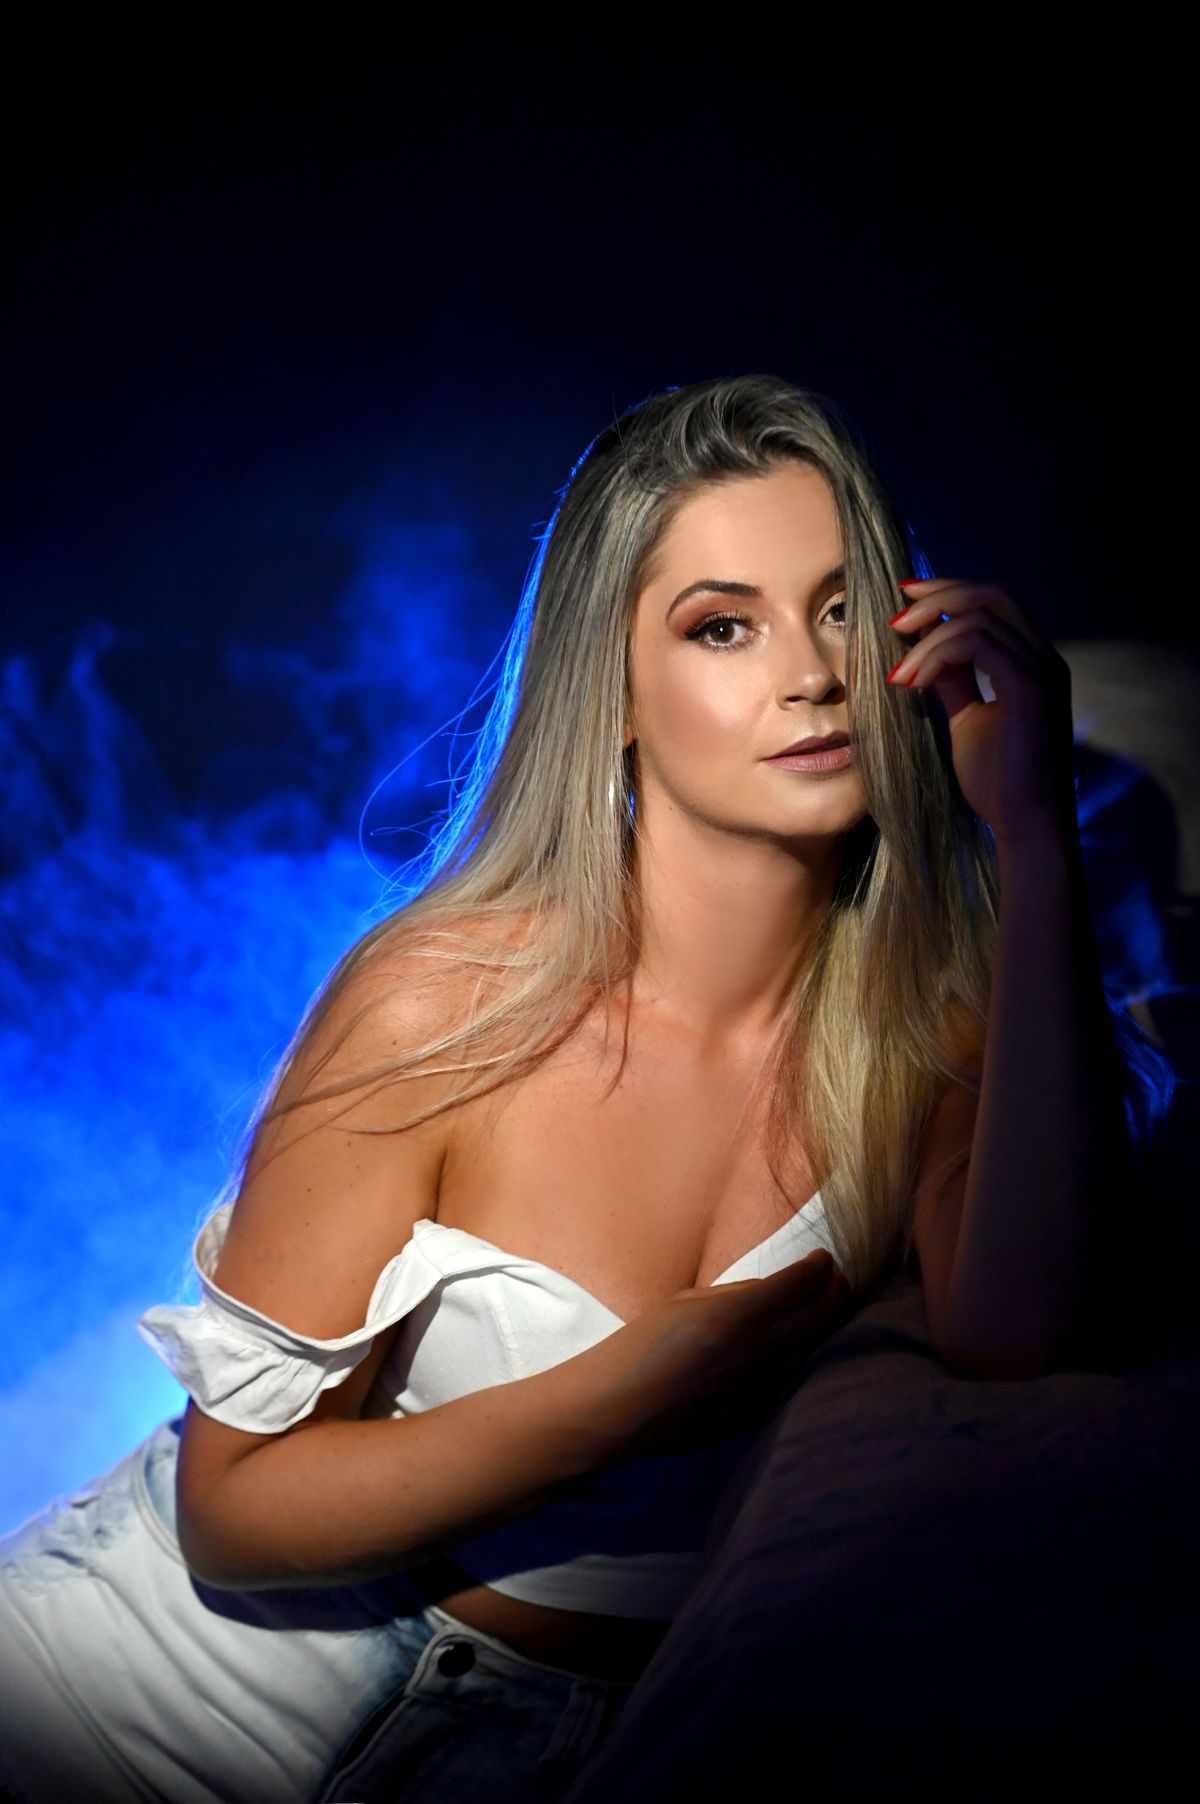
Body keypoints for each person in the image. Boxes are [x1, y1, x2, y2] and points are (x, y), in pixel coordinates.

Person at [0, 377, 1140, 1804]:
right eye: (723, 626)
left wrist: (1033, 831)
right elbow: (229, 1509)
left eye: (846, 608)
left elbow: (1025, 1334)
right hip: (133, 1698)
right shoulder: (442, 996)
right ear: (611, 688)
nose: (811, 674)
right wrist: (627, 1392)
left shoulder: (939, 1021)